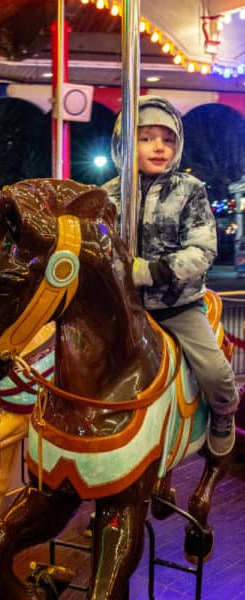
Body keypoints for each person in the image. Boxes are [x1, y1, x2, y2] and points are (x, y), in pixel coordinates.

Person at [103, 94, 239, 457]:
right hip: (123, 306)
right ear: (125, 144)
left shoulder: (189, 191)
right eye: (146, 138)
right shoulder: (107, 195)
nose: (158, 147)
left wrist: (149, 272)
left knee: (214, 371)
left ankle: (224, 412)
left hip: (176, 304)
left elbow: (203, 249)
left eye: (168, 139)